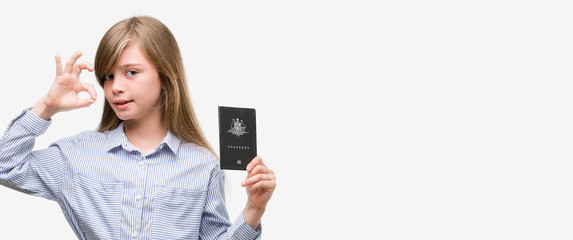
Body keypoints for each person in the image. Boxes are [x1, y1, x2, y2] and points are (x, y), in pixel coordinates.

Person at [0, 16, 275, 240]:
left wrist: (253, 209)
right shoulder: (77, 155)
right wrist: (47, 106)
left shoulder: (201, 165)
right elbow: (6, 166)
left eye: (131, 72)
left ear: (165, 78)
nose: (115, 86)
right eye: (108, 76)